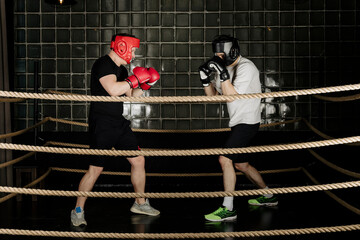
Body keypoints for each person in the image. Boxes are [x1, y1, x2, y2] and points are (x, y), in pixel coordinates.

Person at [70, 33, 160, 227]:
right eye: (133, 49)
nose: (134, 54)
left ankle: (140, 203)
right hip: (101, 124)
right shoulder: (103, 64)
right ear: (122, 46)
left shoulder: (122, 69)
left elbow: (130, 95)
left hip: (119, 123)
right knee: (95, 169)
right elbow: (112, 90)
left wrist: (147, 83)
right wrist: (135, 79)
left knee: (138, 160)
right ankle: (78, 210)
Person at [199, 35, 278, 222]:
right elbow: (214, 96)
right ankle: (269, 196)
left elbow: (231, 97)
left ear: (231, 51)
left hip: (248, 122)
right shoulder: (223, 67)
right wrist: (204, 79)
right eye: (216, 54)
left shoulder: (246, 68)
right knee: (241, 164)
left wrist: (222, 74)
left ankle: (228, 208)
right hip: (237, 122)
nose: (218, 57)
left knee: (224, 159)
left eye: (221, 53)